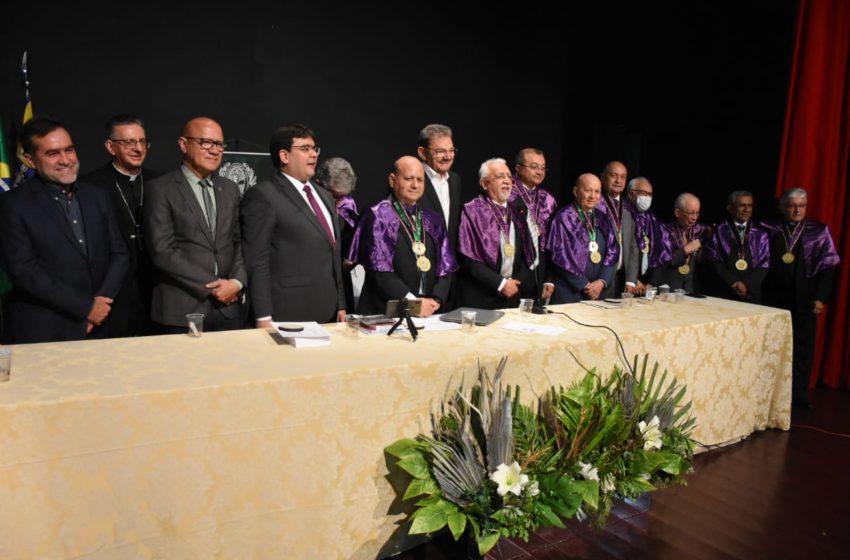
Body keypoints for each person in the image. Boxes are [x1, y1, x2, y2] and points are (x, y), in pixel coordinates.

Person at [0, 116, 128, 343]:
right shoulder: (12, 205)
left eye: (69, 150)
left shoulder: (97, 195)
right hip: (45, 330)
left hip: (100, 326)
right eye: (53, 153)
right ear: (30, 160)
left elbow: (119, 253)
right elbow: (24, 272)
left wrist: (101, 304)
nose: (65, 160)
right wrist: (86, 307)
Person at [143, 117, 246, 333]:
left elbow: (238, 241)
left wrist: (236, 283)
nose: (214, 150)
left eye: (219, 144)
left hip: (228, 307)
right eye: (205, 142)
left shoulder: (229, 188)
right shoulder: (161, 189)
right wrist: (214, 285)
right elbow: (162, 251)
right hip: (181, 309)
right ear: (183, 144)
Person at [240, 124, 346, 326]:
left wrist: (340, 303)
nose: (314, 155)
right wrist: (263, 316)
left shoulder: (324, 195)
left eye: (315, 149)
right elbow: (257, 261)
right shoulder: (263, 195)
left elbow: (333, 254)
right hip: (288, 314)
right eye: (305, 149)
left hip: (329, 312)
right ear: (284, 156)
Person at [348, 156, 457, 316]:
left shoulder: (433, 218)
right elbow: (379, 272)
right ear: (393, 180)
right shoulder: (377, 215)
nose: (415, 185)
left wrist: (436, 299)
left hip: (428, 311)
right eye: (408, 179)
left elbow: (446, 265)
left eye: (420, 180)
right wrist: (413, 303)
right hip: (385, 312)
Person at [82, 114, 157, 337]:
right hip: (114, 291)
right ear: (110, 146)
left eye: (143, 142)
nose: (138, 148)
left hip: (153, 287)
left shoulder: (159, 182)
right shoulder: (90, 187)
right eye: (129, 142)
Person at [764, 188, 839, 408]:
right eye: (792, 205)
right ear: (782, 207)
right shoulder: (768, 228)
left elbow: (829, 267)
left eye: (801, 205)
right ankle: (770, 390)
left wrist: (821, 298)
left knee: (802, 346)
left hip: (805, 298)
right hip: (773, 297)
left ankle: (798, 392)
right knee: (773, 343)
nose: (797, 210)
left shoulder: (819, 231)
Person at [458, 158, 537, 310]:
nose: (507, 181)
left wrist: (514, 283)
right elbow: (469, 261)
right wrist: (501, 284)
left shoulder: (518, 211)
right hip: (481, 297)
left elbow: (528, 255)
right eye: (500, 176)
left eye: (509, 177)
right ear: (484, 183)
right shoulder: (472, 211)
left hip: (512, 294)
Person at [547, 173, 618, 303]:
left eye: (597, 191)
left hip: (600, 293)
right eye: (588, 190)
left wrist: (601, 282)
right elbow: (561, 257)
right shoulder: (563, 218)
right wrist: (585, 286)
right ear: (575, 191)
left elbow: (613, 252)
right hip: (570, 293)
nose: (593, 196)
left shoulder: (604, 219)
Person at [417, 124, 462, 310]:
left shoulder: (455, 180)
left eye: (451, 150)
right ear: (422, 152)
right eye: (440, 151)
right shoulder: (413, 179)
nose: (448, 156)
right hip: (421, 274)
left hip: (448, 276)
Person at [704, 190, 770, 303]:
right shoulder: (718, 231)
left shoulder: (760, 233)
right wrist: (733, 282)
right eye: (742, 205)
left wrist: (747, 285)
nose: (747, 210)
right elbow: (713, 261)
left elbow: (764, 263)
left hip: (750, 294)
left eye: (750, 205)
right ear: (730, 208)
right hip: (724, 292)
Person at [510, 148, 557, 302]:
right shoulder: (506, 194)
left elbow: (553, 244)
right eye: (534, 167)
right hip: (512, 269)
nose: (539, 171)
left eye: (543, 168)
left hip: (540, 271)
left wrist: (549, 278)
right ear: (518, 168)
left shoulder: (548, 200)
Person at [316, 157, 360, 311]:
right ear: (319, 184)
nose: (340, 201)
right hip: (315, 283)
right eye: (335, 196)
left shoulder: (348, 207)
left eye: (344, 196)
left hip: (341, 282)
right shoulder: (306, 207)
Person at [597, 161, 639, 298]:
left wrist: (631, 280)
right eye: (614, 176)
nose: (618, 181)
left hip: (622, 280)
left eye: (623, 177)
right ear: (603, 178)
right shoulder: (594, 205)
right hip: (598, 279)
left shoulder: (629, 209)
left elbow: (634, 246)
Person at [660, 193, 711, 292]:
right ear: (677, 212)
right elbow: (663, 262)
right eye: (691, 213)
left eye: (697, 213)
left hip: (690, 290)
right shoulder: (664, 232)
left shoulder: (700, 232)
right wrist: (685, 250)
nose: (694, 217)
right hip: (669, 290)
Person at [626, 177, 671, 289]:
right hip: (625, 281)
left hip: (646, 285)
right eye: (643, 193)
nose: (647, 197)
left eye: (649, 194)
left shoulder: (654, 220)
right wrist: (633, 280)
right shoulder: (622, 214)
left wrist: (651, 283)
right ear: (631, 194)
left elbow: (662, 252)